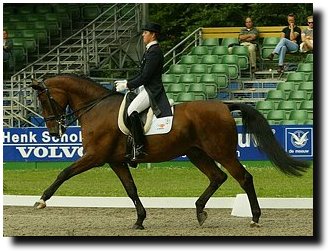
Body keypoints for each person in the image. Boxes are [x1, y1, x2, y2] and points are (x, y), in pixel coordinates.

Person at [115, 22, 172, 161]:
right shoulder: (149, 50)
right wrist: (127, 82)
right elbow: (141, 74)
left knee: (131, 111)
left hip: (152, 89)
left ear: (152, 34)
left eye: (145, 33)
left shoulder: (155, 52)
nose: (143, 35)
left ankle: (140, 148)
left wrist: (128, 85)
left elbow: (146, 76)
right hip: (144, 87)